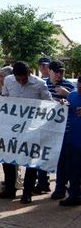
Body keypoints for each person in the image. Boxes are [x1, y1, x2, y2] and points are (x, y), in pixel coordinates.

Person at [0, 61, 52, 203]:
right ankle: (9, 190)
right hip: (11, 128)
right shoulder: (8, 80)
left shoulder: (39, 84)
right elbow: (5, 98)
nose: (21, 82)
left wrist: (60, 104)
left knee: (30, 162)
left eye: (23, 78)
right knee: (7, 159)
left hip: (31, 129)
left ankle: (27, 193)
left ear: (29, 72)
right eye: (18, 79)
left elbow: (49, 103)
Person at [46, 60, 75, 200]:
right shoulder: (43, 85)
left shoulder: (68, 86)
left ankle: (60, 189)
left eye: (61, 72)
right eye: (56, 72)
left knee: (63, 161)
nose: (59, 75)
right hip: (46, 129)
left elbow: (75, 104)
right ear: (49, 71)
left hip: (64, 131)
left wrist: (67, 94)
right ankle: (42, 184)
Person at [59, 76, 81, 206]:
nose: (79, 90)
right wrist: (63, 103)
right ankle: (74, 195)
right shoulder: (72, 95)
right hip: (72, 140)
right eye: (78, 87)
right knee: (72, 170)